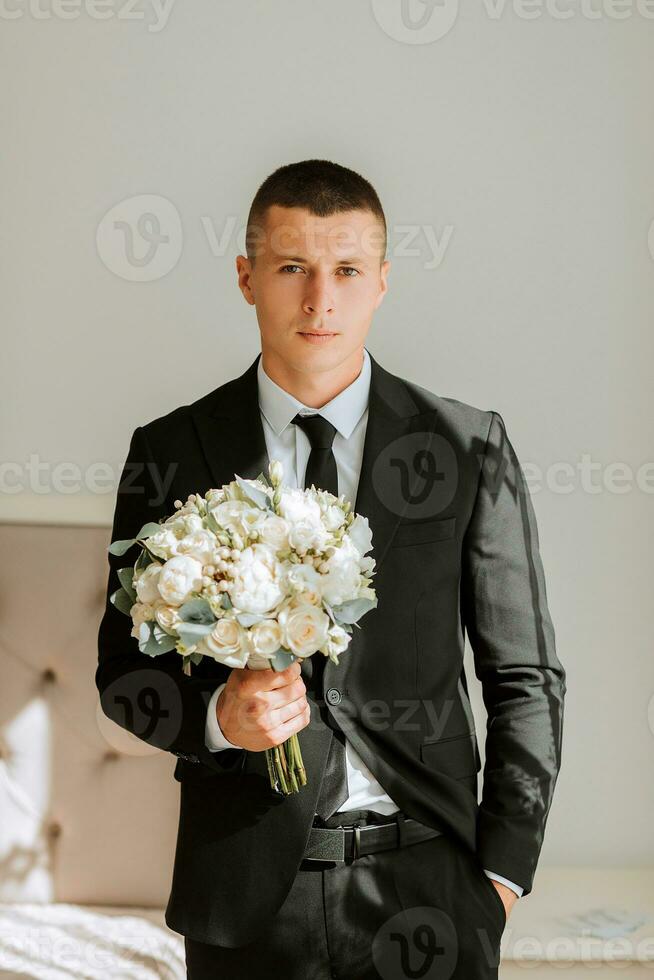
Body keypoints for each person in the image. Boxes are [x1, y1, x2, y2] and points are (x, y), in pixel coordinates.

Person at [96, 158, 566, 979]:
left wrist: (502, 877)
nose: (321, 300)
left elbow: (524, 677)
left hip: (432, 888)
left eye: (346, 270)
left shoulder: (468, 446)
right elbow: (120, 670)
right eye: (292, 269)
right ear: (247, 278)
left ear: (382, 281)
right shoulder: (171, 451)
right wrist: (216, 720)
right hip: (244, 901)